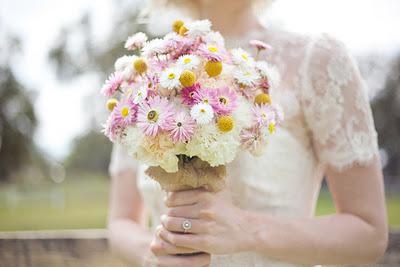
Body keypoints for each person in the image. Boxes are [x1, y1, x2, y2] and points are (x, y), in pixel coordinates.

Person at [107, 0, 388, 266]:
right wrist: (155, 252)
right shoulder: (150, 73)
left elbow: (369, 233)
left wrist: (248, 230)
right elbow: (121, 223)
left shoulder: (317, 61)